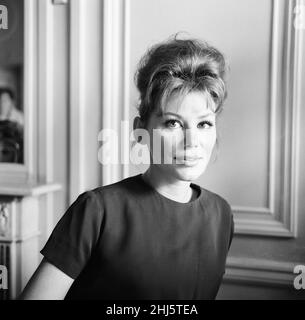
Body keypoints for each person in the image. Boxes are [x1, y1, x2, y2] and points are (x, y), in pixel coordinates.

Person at [19, 35, 234, 300]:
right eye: (173, 123)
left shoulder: (221, 214)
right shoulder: (97, 210)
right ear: (140, 131)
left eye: (204, 124)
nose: (192, 143)